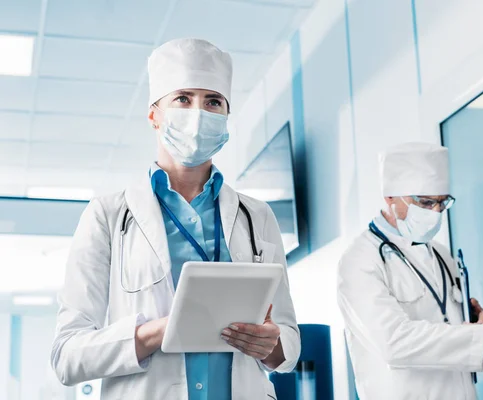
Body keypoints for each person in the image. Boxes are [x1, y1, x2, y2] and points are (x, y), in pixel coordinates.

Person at [50, 38, 300, 400]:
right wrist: (157, 332)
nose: (199, 112)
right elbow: (67, 357)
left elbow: (287, 341)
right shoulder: (107, 215)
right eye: (183, 98)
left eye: (213, 101)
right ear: (154, 115)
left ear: (226, 118)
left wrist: (270, 345)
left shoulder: (257, 216)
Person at [337, 142, 483, 400]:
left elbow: (449, 334)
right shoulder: (360, 260)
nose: (435, 213)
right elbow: (395, 343)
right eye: (425, 203)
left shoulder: (441, 254)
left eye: (441, 203)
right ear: (390, 196)